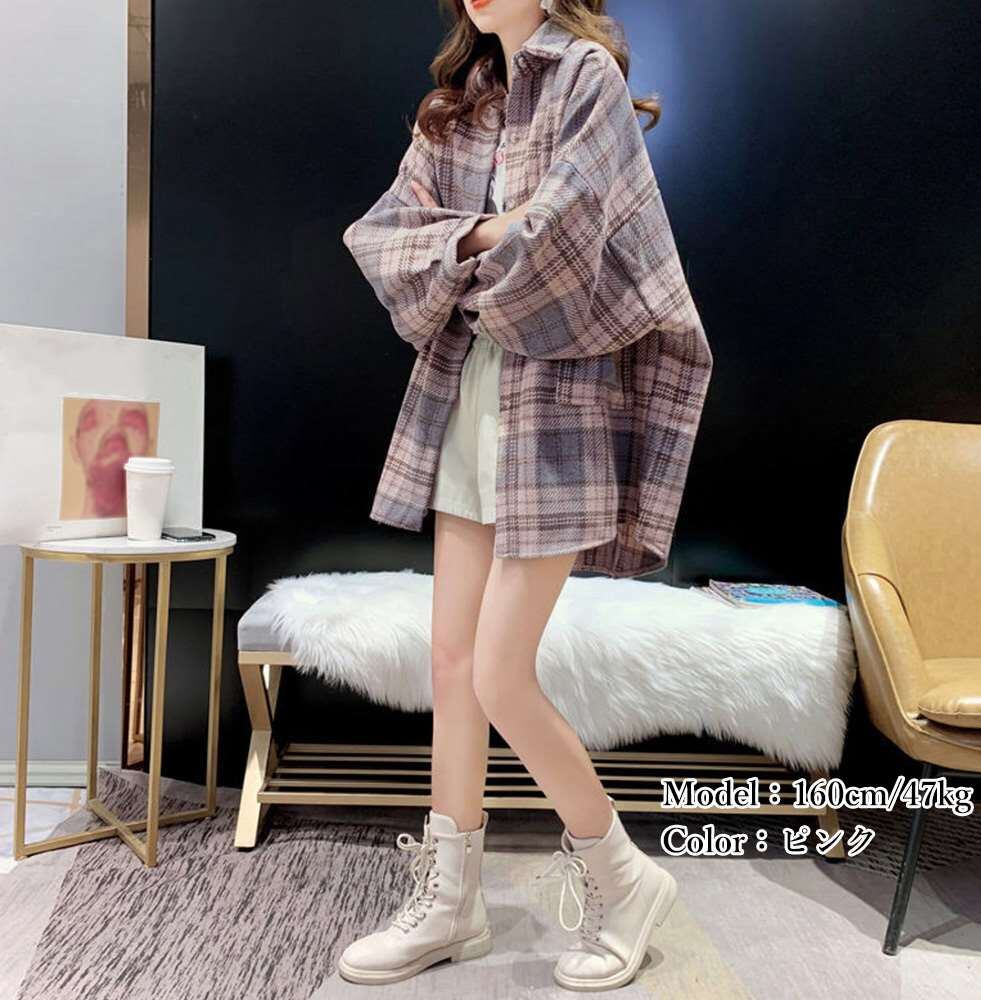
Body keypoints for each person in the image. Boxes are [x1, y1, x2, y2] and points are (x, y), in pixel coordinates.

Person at [339, 0, 713, 990]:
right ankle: (451, 904)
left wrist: (456, 250)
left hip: (556, 408)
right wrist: (484, 234)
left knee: (501, 672)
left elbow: (566, 244)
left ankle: (624, 876)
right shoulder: (462, 105)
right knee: (453, 661)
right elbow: (382, 239)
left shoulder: (585, 75)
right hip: (464, 396)